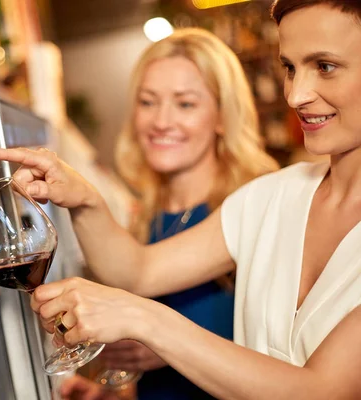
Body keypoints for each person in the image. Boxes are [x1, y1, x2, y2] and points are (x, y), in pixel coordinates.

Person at [0, 0, 361, 398]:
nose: (296, 95)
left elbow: (324, 391)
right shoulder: (274, 195)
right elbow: (139, 271)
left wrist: (145, 319)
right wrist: (84, 198)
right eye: (290, 68)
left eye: (325, 66)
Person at [63, 27, 277, 399]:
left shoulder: (256, 204)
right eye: (148, 102)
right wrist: (109, 394)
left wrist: (167, 346)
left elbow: (285, 351)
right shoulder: (144, 215)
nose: (161, 121)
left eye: (185, 104)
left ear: (223, 116)